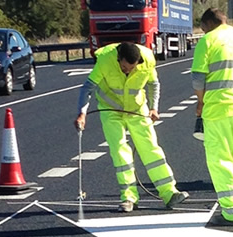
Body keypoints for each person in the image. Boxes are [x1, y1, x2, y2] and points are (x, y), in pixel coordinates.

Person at [74, 42, 188, 212]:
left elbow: (153, 84)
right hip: (111, 109)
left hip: (137, 109)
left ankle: (169, 192)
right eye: (125, 67)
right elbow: (87, 88)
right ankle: (129, 197)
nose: (129, 70)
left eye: (133, 67)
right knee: (120, 151)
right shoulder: (105, 60)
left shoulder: (147, 59)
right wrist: (82, 113)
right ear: (118, 59)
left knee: (151, 148)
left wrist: (154, 107)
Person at [191, 8, 233, 226]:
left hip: (219, 108)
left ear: (209, 23)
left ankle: (231, 211)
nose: (202, 31)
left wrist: (200, 102)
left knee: (221, 159)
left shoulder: (209, 41)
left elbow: (198, 78)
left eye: (202, 28)